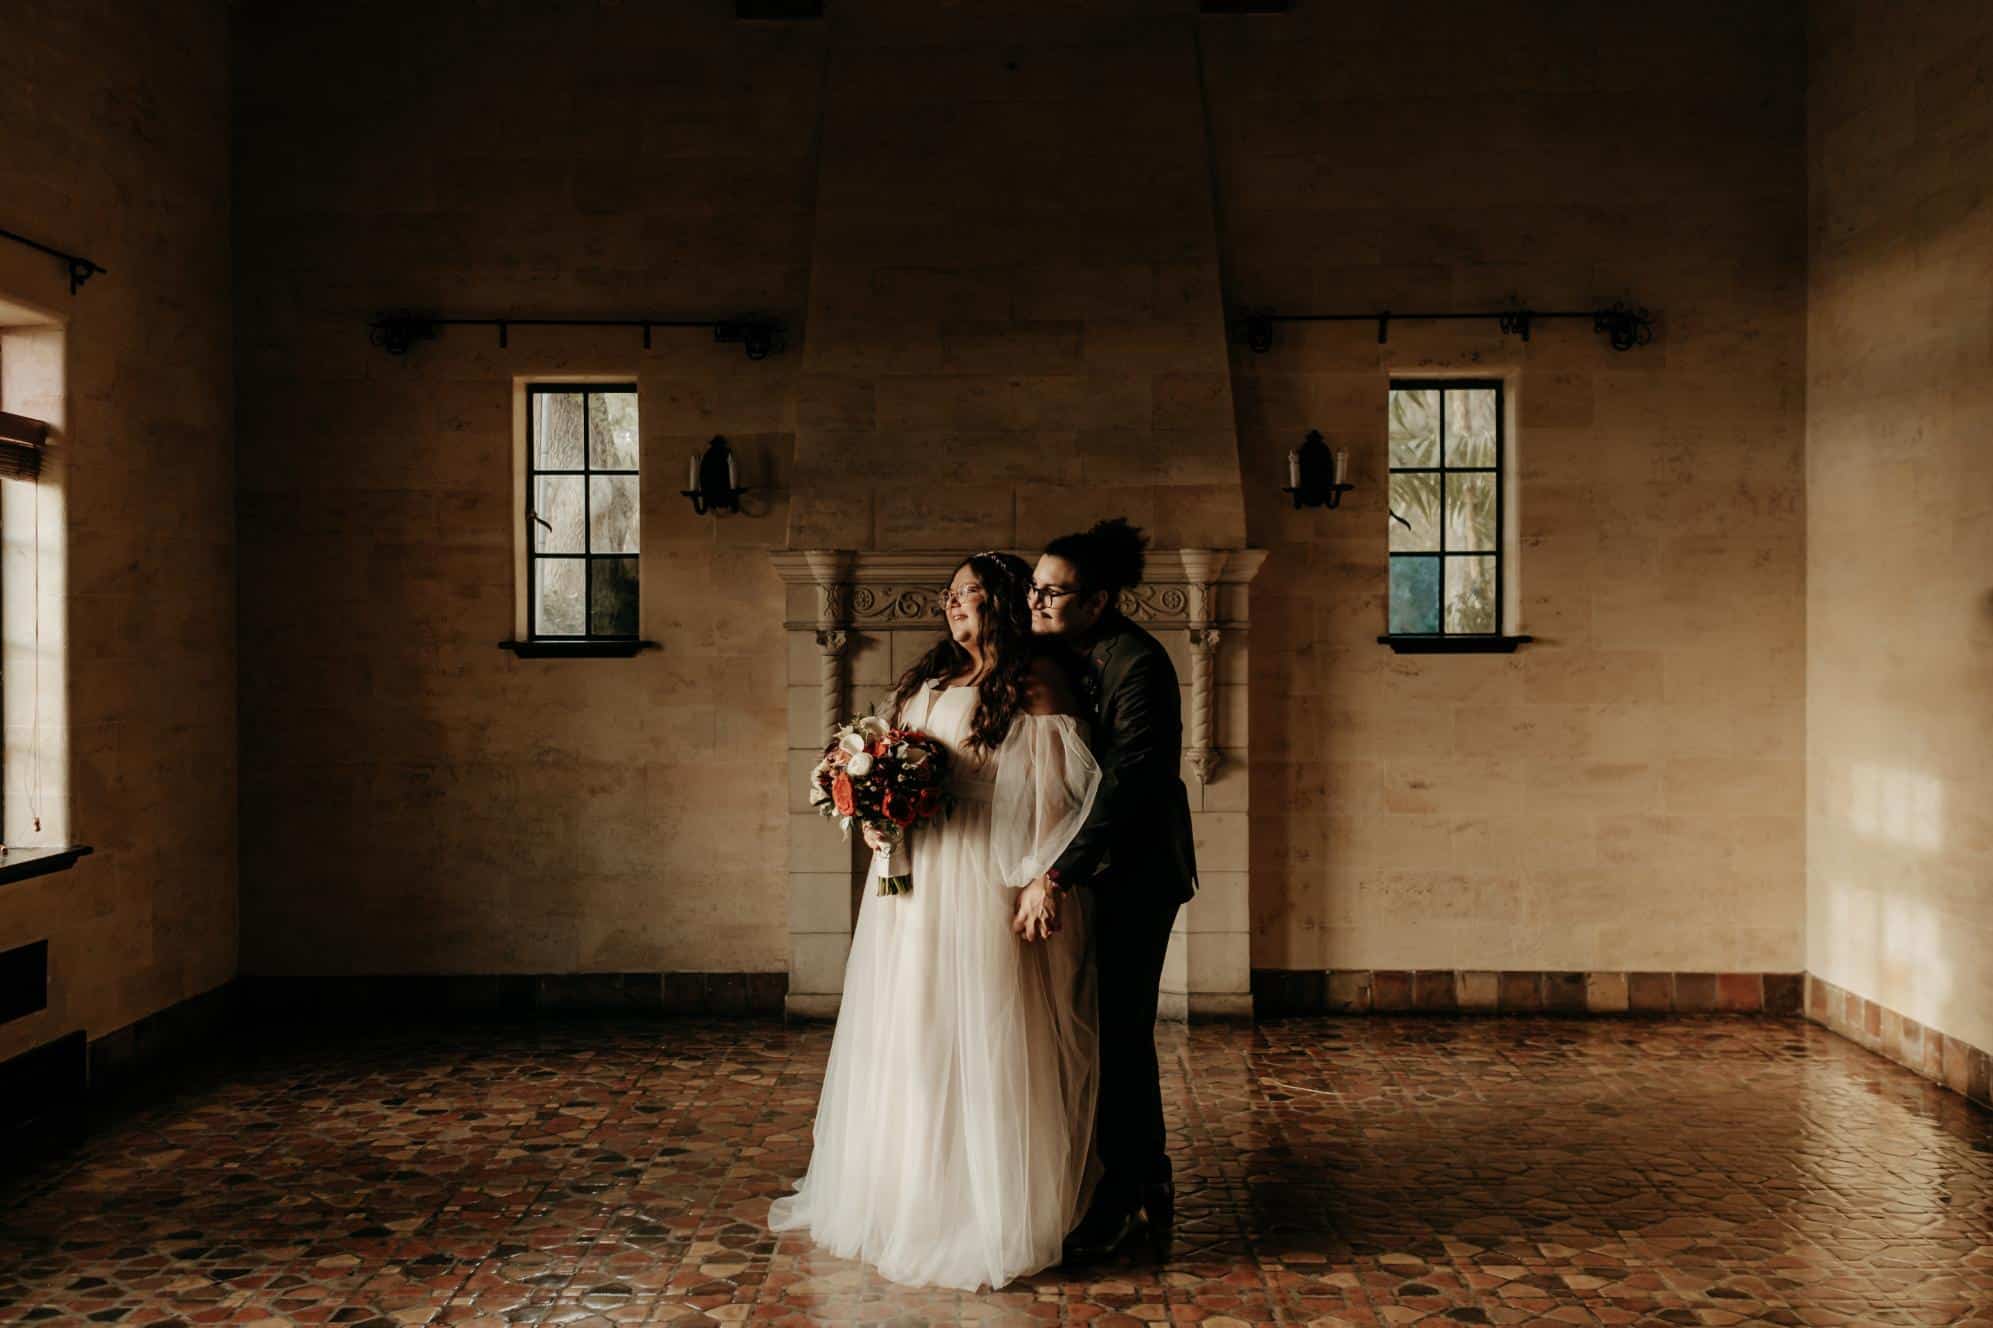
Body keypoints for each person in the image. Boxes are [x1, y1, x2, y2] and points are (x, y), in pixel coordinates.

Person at [767, 551, 1104, 1291]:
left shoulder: (1032, 681)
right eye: (950, 595)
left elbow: (1056, 793)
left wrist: (1040, 879)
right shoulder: (926, 679)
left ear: (1007, 603)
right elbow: (885, 758)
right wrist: (868, 811)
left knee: (978, 1026)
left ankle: (982, 1207)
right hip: (914, 877)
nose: (955, 605)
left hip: (982, 873)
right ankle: (905, 1194)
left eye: (973, 595)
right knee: (911, 1025)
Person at [1025, 518, 1198, 1266]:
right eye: (1032, 588)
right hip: (1074, 866)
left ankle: (1126, 1194)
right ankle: (1130, 1178)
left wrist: (1057, 870)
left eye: (1051, 592)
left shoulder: (1138, 663)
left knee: (1118, 1036)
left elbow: (1130, 782)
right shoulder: (1052, 652)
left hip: (1131, 872)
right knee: (1082, 1031)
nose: (1035, 602)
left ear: (1096, 601)